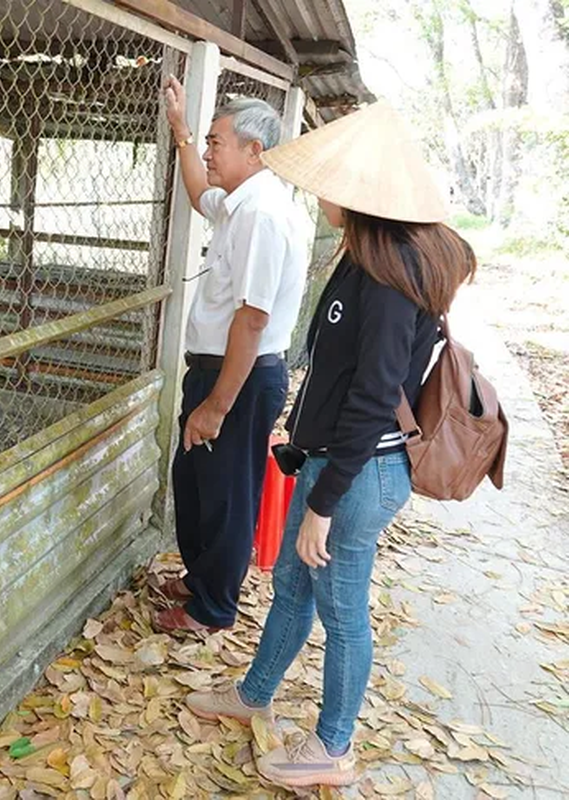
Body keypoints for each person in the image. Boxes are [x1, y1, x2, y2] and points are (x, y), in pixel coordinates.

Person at [183, 101, 478, 790]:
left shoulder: (390, 279)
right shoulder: (364, 258)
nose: (319, 194)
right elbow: (339, 372)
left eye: (330, 183)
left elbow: (375, 398)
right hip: (335, 462)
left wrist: (324, 500)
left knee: (342, 607)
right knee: (292, 584)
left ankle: (333, 747)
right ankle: (254, 694)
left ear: (362, 192)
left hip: (360, 475)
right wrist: (303, 438)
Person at [156, 78, 310, 634]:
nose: (208, 151)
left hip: (237, 377)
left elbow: (253, 318)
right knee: (197, 481)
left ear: (254, 151)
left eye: (216, 142)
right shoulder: (242, 204)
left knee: (224, 494)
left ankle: (212, 609)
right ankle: (203, 582)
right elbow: (200, 195)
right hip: (223, 371)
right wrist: (181, 130)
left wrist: (218, 405)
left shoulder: (263, 216)